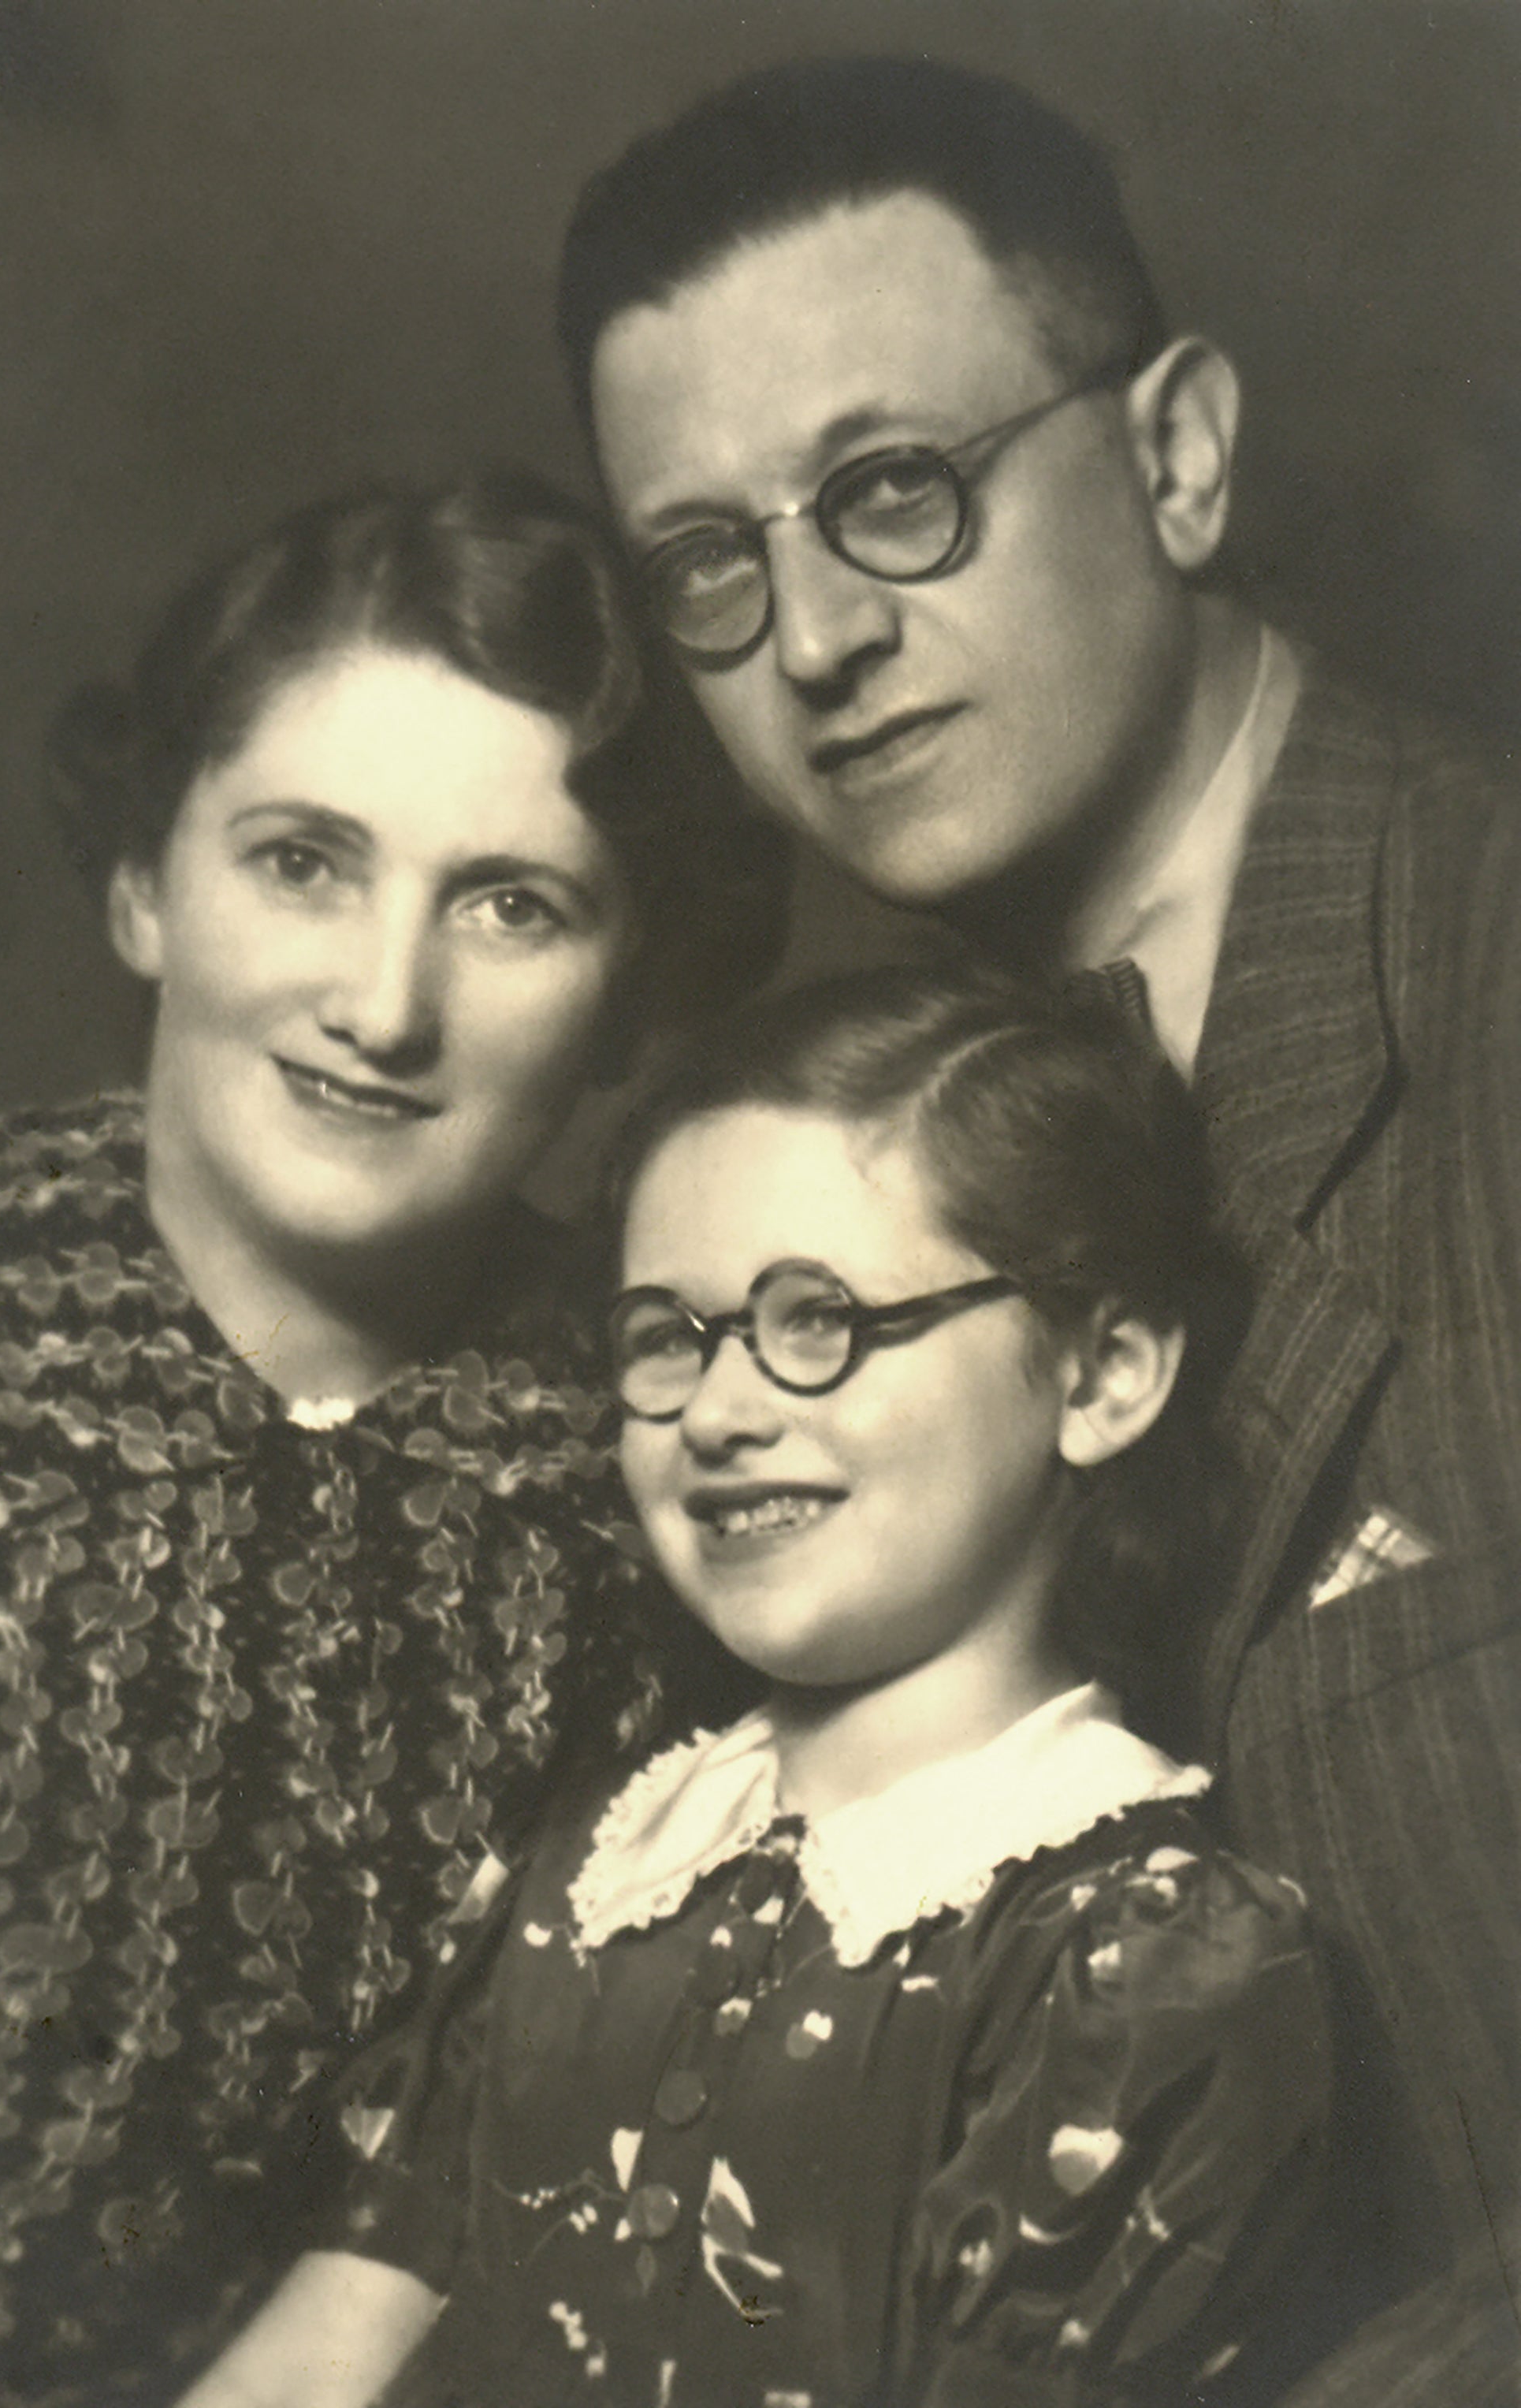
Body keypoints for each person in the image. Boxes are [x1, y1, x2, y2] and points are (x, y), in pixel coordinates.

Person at [555, 57, 1521, 2396]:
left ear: (1177, 456)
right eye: (711, 560)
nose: (810, 640)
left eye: (892, 493)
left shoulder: (1481, 984)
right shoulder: (805, 1189)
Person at [176, 962, 1332, 2408]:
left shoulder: (1144, 1966)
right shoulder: (586, 1868)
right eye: (667, 1338)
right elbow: (326, 2346)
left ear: (1100, 1376)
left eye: (817, 1321)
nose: (719, 1413)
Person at [0, 473, 785, 2406]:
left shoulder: (673, 1477)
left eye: (513, 907)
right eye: (303, 861)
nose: (383, 1004)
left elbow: (463, 2180)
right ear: (148, 882)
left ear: (622, 1006)